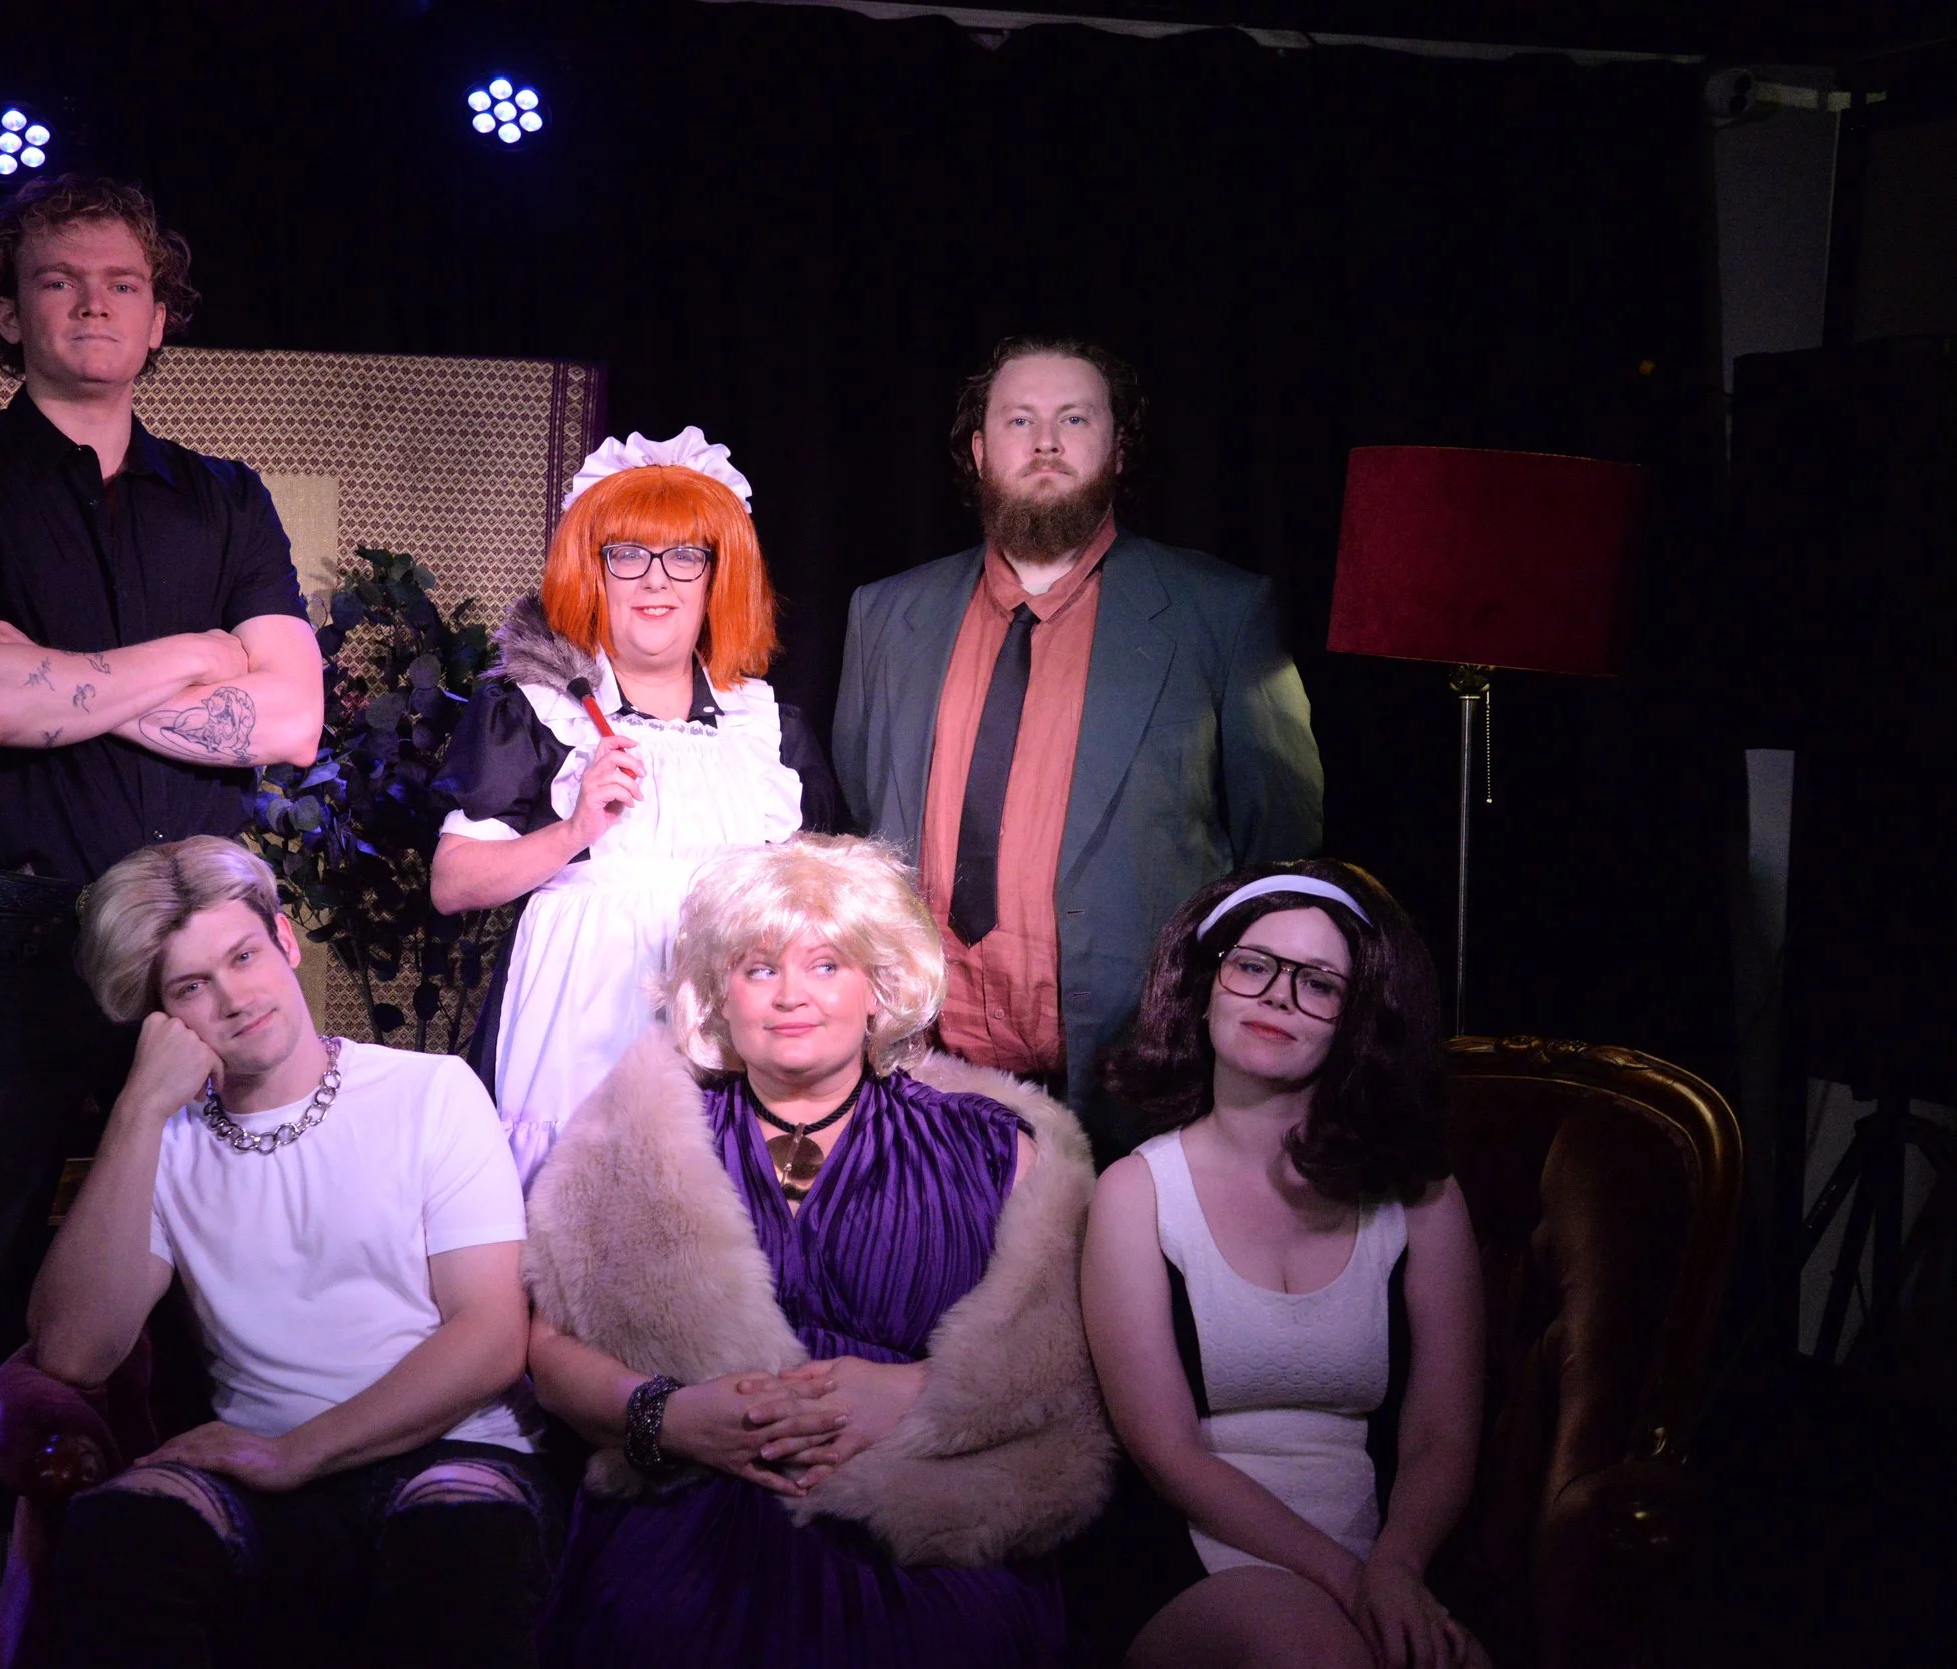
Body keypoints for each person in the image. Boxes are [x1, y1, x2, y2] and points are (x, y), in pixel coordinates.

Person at [0, 175, 326, 1666]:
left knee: (233, 1312)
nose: (94, 302)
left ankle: (210, 1625)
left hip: (200, 964)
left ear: (162, 314)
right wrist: (190, 659)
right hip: (15, 949)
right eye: (59, 281)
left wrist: (77, 680)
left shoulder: (227, 496)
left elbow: (289, 719)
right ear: (10, 313)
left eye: (122, 281)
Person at [523, 835, 1111, 1668]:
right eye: (759, 968)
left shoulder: (995, 1147)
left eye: (828, 964)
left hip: (921, 1505)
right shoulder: (632, 1137)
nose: (791, 994)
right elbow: (549, 1352)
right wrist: (673, 1417)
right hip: (695, 1498)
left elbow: (1066, 1361)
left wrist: (922, 1393)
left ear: (881, 986)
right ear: (718, 994)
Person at [32, 836, 549, 1668]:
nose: (234, 998)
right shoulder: (161, 1141)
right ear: (161, 1016)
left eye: (242, 955)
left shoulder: (432, 1090)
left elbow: (490, 1336)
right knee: (117, 1535)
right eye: (192, 986)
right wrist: (135, 1110)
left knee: (460, 1549)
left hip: (448, 1446)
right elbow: (72, 1350)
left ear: (284, 938)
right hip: (256, 1463)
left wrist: (297, 1453)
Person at [831, 337, 1322, 1158]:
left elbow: (1280, 851)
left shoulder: (1220, 615)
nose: (1046, 441)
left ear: (1117, 447)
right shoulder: (885, 617)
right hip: (921, 1078)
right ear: (981, 450)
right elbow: (860, 805)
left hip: (1136, 1083)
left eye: (1074, 418)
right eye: (1019, 419)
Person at [1079, 860, 1489, 1668]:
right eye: (1254, 965)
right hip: (1188, 1553)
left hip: (1387, 1550)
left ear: (1357, 1018)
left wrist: (1396, 1570)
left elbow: (1443, 1434)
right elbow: (1168, 1452)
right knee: (1310, 1651)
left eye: (1318, 983)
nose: (1276, 995)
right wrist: (1352, 1580)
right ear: (1207, 986)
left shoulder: (1423, 1198)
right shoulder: (1135, 1191)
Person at [431, 426, 841, 1182]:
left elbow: (827, 912)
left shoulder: (772, 729)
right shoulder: (534, 712)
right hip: (575, 1034)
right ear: (597, 573)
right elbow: (453, 883)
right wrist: (574, 829)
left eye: (686, 555)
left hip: (730, 1035)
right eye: (628, 554)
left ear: (720, 577)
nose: (657, 581)